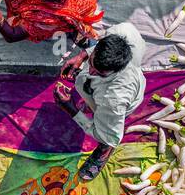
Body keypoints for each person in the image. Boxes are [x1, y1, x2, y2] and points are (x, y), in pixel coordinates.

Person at [54, 19, 147, 182]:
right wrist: (83, 56)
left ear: (116, 69)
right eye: (91, 64)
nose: (90, 71)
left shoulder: (113, 99)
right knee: (90, 90)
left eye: (99, 73)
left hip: (114, 106)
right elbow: (97, 46)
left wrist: (70, 109)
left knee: (107, 135)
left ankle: (104, 151)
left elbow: (103, 134)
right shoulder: (123, 32)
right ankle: (92, 104)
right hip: (102, 93)